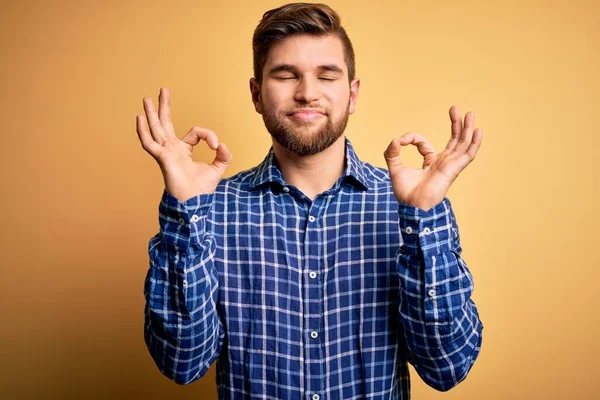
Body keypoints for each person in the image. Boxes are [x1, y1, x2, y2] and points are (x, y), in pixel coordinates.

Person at [137, 3, 484, 399]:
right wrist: (186, 213)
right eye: (286, 75)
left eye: (327, 75)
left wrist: (423, 220)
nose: (306, 93)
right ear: (255, 93)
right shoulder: (208, 210)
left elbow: (448, 366)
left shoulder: (408, 208)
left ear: (352, 94)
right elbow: (182, 362)